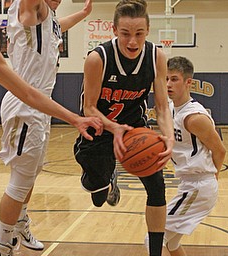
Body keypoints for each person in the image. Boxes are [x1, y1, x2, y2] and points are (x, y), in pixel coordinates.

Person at [0, 0, 102, 256]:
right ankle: (3, 241)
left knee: (31, 172)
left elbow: (31, 90)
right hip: (23, 109)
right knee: (21, 178)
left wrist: (83, 13)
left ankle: (18, 223)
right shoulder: (32, 9)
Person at [73, 1, 174, 255]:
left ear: (148, 30)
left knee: (157, 187)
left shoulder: (156, 57)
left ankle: (155, 252)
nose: (132, 41)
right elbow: (90, 109)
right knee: (97, 198)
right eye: (126, 33)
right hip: (98, 129)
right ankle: (104, 181)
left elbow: (162, 107)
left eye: (139, 33)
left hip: (134, 130)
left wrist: (169, 136)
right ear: (114, 30)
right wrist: (112, 127)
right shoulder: (98, 58)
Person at [145, 56, 226, 256]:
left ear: (188, 82)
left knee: (153, 240)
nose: (168, 84)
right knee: (171, 244)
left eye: (174, 79)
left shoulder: (194, 117)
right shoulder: (169, 109)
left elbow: (220, 150)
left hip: (199, 185)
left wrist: (212, 178)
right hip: (188, 184)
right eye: (165, 79)